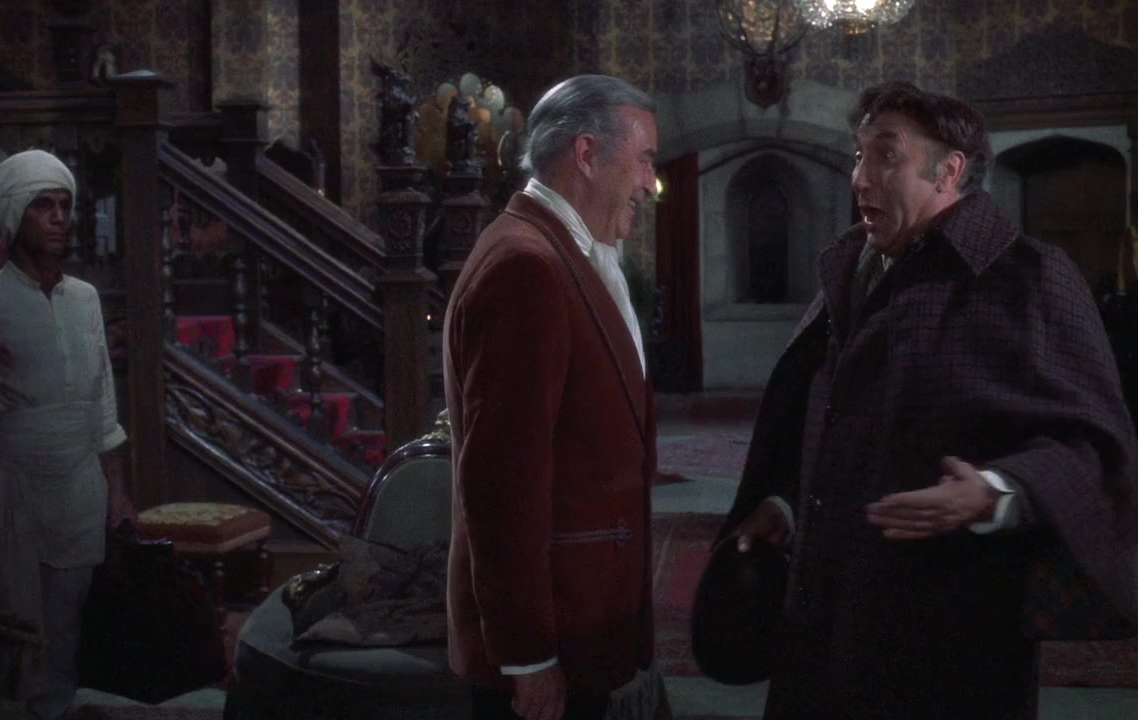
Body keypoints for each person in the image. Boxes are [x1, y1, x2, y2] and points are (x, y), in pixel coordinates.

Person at [716, 81, 1138, 720]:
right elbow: (827, 415)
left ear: (949, 170)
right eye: (858, 155)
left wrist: (996, 492)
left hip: (947, 623)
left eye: (885, 155)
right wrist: (784, 504)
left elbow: (1099, 446)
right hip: (825, 610)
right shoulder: (852, 266)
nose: (860, 177)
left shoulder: (1028, 275)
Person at [442, 75, 662, 720]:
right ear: (587, 155)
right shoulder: (527, 267)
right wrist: (527, 654)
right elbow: (501, 486)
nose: (651, 183)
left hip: (582, 618)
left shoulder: (568, 250)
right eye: (644, 160)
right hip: (548, 639)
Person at [0, 149, 132, 720]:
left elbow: (103, 405)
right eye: (42, 205)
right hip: (12, 496)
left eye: (64, 205)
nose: (58, 217)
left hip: (79, 491)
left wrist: (117, 492)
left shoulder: (85, 300)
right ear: (13, 216)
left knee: (64, 636)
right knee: (13, 643)